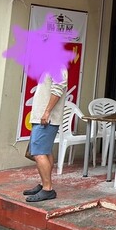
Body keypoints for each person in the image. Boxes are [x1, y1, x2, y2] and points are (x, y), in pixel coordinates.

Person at [23, 69, 68, 202]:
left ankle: (47, 189)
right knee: (45, 152)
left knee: (39, 153)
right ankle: (44, 184)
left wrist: (47, 112)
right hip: (42, 118)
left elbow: (57, 90)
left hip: (46, 119)